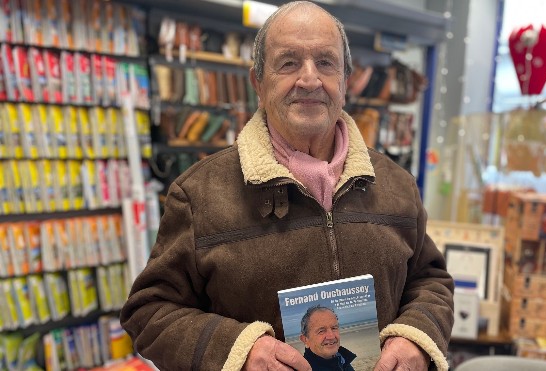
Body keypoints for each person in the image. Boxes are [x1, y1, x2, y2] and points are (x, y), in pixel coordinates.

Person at [120, 2, 454, 370]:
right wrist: (239, 350)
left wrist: (415, 335)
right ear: (258, 84)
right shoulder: (199, 195)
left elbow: (431, 280)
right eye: (289, 62)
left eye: (326, 62)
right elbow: (149, 311)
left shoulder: (396, 184)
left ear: (344, 81)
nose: (309, 80)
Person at [299, 306, 356, 370]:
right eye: (321, 331)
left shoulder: (342, 360)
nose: (331, 336)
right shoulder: (306, 369)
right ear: (305, 340)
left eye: (334, 328)